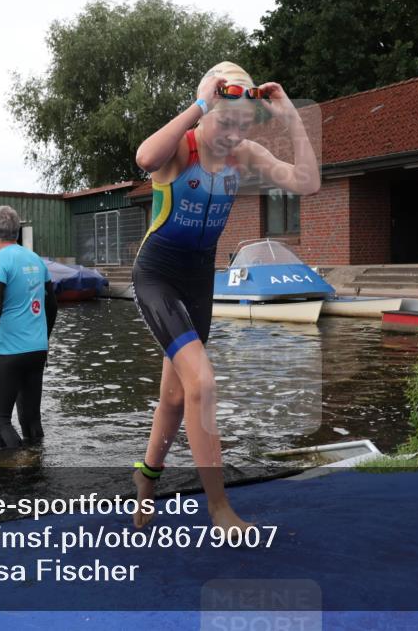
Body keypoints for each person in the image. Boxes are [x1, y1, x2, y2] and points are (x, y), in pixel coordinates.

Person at [131, 62, 320, 533]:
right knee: (204, 384)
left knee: (176, 397)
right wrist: (198, 103)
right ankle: (219, 509)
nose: (233, 134)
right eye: (225, 121)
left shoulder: (246, 154)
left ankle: (145, 483)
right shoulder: (184, 147)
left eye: (242, 125)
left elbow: (307, 183)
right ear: (208, 110)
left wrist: (291, 118)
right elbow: (144, 158)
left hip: (198, 282)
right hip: (158, 276)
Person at [0, 205, 58, 449]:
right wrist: (44, 339)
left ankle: (18, 467)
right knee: (30, 420)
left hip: (10, 351)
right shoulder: (36, 260)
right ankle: (36, 475)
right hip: (37, 350)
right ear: (17, 231)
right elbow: (51, 305)